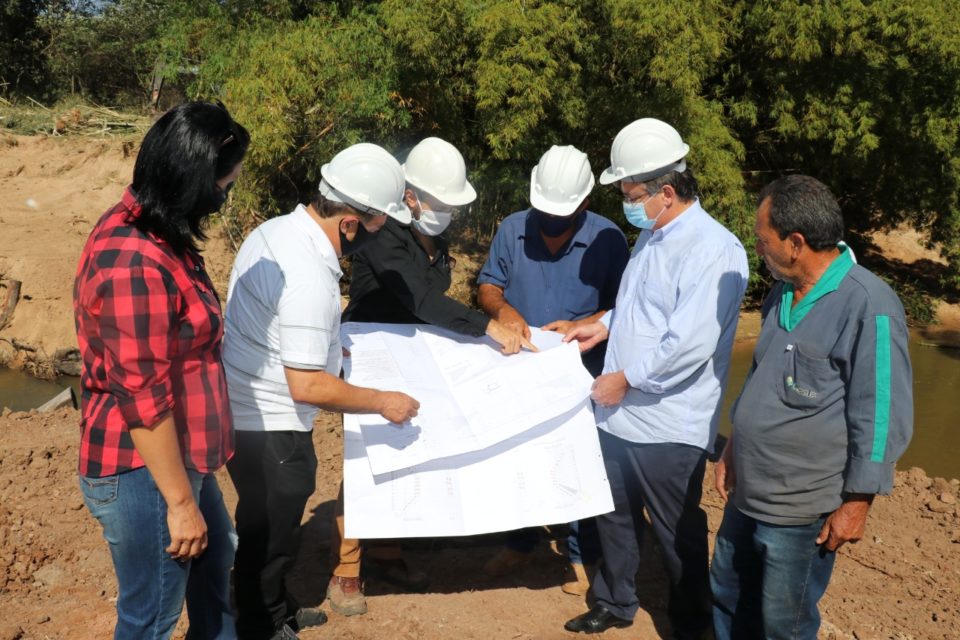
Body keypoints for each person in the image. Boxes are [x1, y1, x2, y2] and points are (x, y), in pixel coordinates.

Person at [328, 137, 535, 616]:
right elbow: (423, 300)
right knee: (363, 461)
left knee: (405, 455)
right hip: (369, 360)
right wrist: (488, 325)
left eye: (450, 205)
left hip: (415, 361)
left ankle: (388, 555)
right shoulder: (381, 236)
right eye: (437, 202)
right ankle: (347, 570)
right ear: (409, 195)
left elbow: (429, 307)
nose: (445, 212)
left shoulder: (434, 241)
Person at [222, 143, 421, 640]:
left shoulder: (275, 231)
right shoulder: (310, 274)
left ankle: (273, 606)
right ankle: (261, 625)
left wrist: (332, 354)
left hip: (246, 411)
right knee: (271, 537)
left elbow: (274, 331)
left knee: (265, 526)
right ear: (350, 222)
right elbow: (307, 384)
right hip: (273, 425)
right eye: (376, 226)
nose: (378, 236)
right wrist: (382, 401)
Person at [562, 118, 749, 638]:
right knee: (614, 518)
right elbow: (635, 310)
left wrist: (626, 379)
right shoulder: (651, 234)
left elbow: (689, 344)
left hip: (669, 423)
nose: (625, 201)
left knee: (676, 533)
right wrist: (598, 327)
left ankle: (693, 624)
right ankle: (614, 601)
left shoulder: (714, 249)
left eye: (630, 192)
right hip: (618, 413)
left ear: (666, 191)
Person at [710, 175, 913, 640]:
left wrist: (858, 500)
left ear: (795, 243)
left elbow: (881, 411)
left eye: (763, 240)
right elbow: (763, 376)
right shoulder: (781, 292)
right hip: (749, 493)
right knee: (728, 590)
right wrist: (734, 446)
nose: (758, 248)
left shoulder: (868, 304)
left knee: (786, 621)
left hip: (802, 509)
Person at [74, 101, 249, 639]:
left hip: (180, 459)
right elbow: (143, 395)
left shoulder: (157, 231)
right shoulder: (134, 260)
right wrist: (178, 503)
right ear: (196, 180)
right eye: (226, 183)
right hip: (143, 472)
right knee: (151, 618)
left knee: (216, 569)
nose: (227, 194)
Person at [477, 144, 630, 595]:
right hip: (520, 366)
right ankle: (521, 542)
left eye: (563, 213)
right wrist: (502, 310)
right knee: (519, 455)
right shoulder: (511, 229)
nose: (552, 221)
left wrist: (586, 323)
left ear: (585, 203)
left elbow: (625, 305)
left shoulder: (608, 239)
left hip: (582, 372)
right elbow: (488, 285)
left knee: (580, 459)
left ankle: (581, 552)